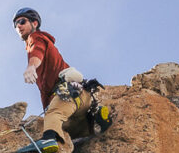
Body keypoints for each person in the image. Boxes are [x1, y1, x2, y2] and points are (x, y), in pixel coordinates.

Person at [13, 8, 112, 142]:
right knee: (71, 127)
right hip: (83, 96)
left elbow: (37, 51)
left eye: (22, 21)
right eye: (15, 24)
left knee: (54, 115)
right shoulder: (45, 45)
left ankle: (48, 140)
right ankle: (96, 114)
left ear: (34, 23)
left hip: (66, 95)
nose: (18, 26)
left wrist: (31, 67)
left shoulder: (35, 37)